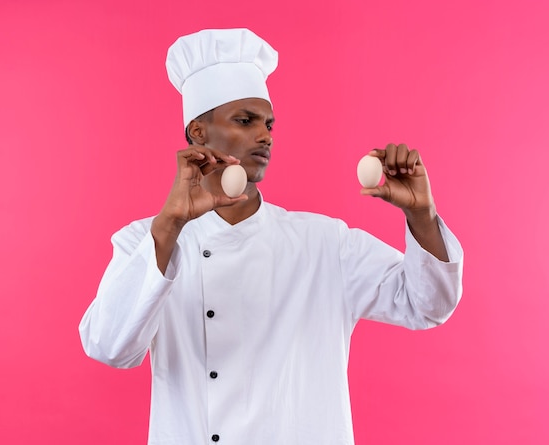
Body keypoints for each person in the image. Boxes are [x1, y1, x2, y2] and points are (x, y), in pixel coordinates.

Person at [79, 28, 463, 445]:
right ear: (197, 133)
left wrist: (421, 214)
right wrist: (170, 224)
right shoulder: (146, 240)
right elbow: (110, 348)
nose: (265, 135)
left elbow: (427, 306)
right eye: (245, 121)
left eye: (269, 124)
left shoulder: (324, 244)